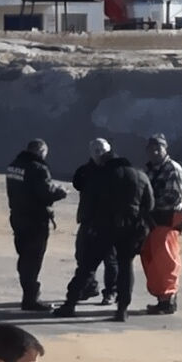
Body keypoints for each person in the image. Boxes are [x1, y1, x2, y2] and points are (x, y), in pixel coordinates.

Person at [67, 137, 142, 319]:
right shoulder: (89, 171)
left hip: (105, 226)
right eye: (95, 151)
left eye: (101, 151)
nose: (98, 154)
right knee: (83, 257)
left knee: (109, 262)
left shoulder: (111, 175)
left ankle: (108, 292)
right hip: (97, 224)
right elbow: (78, 182)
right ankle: (90, 289)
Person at [0, 140, 64, 311]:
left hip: (18, 217)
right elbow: (45, 193)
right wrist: (60, 192)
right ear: (40, 151)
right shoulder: (38, 168)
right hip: (35, 219)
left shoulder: (14, 166)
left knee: (24, 256)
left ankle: (28, 292)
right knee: (33, 259)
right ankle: (30, 299)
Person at [134, 135, 182, 318]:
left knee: (165, 258)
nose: (155, 152)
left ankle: (168, 297)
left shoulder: (172, 169)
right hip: (152, 219)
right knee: (150, 256)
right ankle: (161, 297)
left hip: (167, 217)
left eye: (158, 148)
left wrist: (148, 205)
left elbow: (173, 197)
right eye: (151, 148)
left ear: (166, 149)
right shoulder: (148, 170)